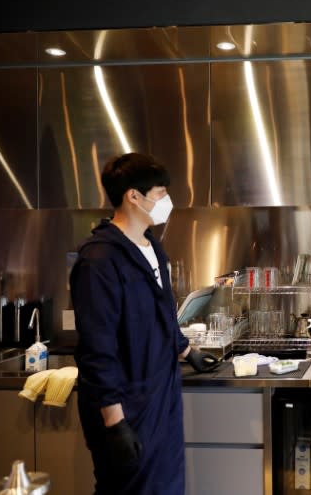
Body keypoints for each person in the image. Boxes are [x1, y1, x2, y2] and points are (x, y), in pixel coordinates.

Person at [70, 152, 220, 495]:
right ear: (133, 197)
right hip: (127, 406)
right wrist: (114, 421)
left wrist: (185, 349)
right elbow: (97, 348)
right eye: (160, 192)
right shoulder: (99, 261)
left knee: (165, 487)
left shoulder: (151, 246)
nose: (166, 200)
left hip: (161, 399)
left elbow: (159, 312)